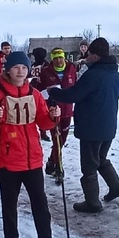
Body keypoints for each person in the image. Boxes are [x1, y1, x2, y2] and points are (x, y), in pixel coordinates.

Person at [0, 51, 64, 238]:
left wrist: (53, 116)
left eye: (24, 68)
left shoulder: (35, 94)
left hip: (33, 160)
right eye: (17, 67)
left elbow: (44, 123)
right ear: (8, 70)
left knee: (41, 205)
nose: (21, 71)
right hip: (9, 161)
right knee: (10, 205)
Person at [46, 37, 119, 214]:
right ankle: (116, 187)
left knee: (89, 165)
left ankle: (92, 203)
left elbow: (74, 95)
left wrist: (54, 91)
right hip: (108, 126)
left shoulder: (93, 75)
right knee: (101, 158)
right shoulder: (115, 75)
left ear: (96, 56)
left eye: (89, 54)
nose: (87, 57)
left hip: (92, 128)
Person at [37, 48, 79, 178]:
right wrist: (48, 93)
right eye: (55, 58)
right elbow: (39, 92)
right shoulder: (46, 72)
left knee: (62, 139)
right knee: (56, 139)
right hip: (53, 111)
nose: (59, 60)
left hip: (67, 110)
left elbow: (76, 86)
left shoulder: (71, 68)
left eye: (60, 57)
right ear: (52, 59)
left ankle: (51, 161)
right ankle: (58, 167)